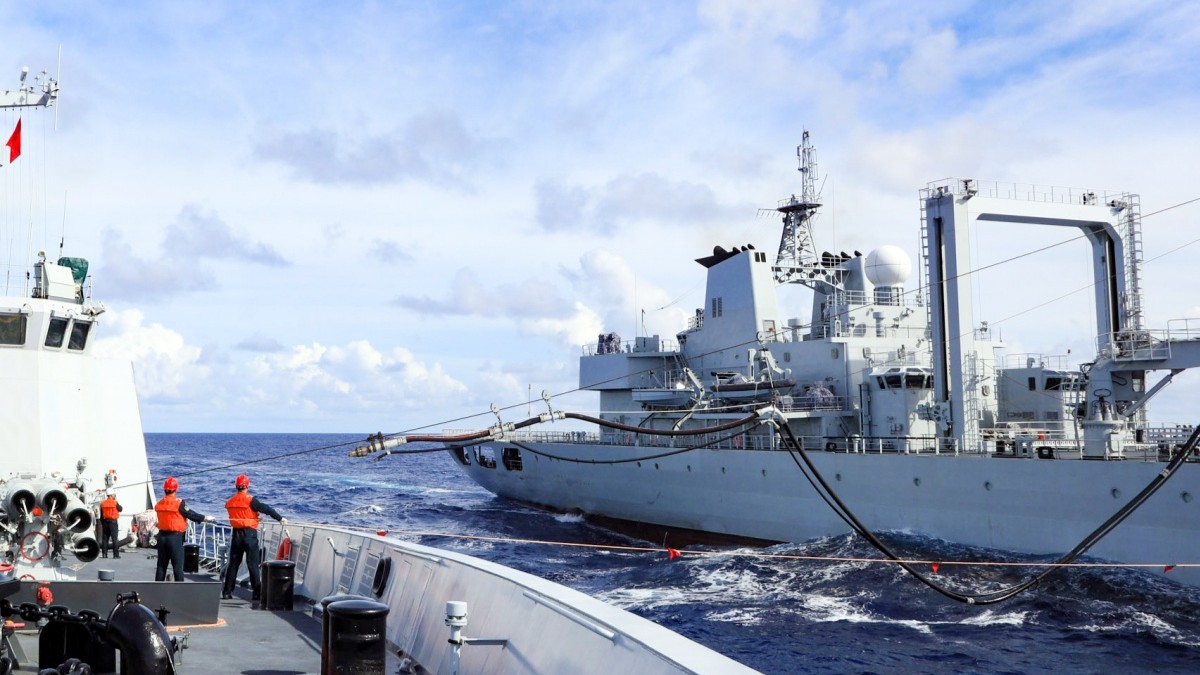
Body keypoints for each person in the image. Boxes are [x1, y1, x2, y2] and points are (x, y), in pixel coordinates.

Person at [222, 473, 286, 601]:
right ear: (247, 486)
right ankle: (257, 593)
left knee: (233, 564)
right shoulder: (251, 500)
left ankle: (227, 592)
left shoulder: (229, 502)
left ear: (236, 486)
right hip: (249, 534)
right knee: (253, 564)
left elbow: (240, 515)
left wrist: (253, 517)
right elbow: (266, 509)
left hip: (236, 535)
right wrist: (279, 518)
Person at [154, 476, 214, 582]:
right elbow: (190, 514)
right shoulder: (179, 503)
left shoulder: (159, 504)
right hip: (175, 538)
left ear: (164, 489)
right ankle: (180, 591)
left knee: (161, 566)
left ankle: (157, 590)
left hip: (162, 537)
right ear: (176, 489)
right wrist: (204, 518)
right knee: (177, 567)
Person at [98, 488, 123, 558]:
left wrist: (103, 524)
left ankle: (104, 554)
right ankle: (116, 555)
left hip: (105, 522)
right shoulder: (115, 502)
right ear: (111, 495)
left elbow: (101, 515)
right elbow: (120, 509)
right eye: (114, 494)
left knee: (105, 539)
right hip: (113, 522)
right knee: (114, 539)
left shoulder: (103, 503)